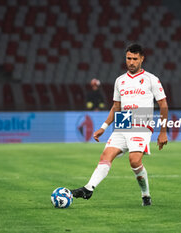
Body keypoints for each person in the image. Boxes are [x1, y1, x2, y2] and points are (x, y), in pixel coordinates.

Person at [71, 44, 168, 206]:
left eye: (134, 59)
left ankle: (145, 194)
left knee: (134, 161)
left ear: (142, 59)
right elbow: (116, 106)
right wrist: (103, 127)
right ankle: (88, 189)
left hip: (141, 123)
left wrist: (163, 131)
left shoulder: (151, 79)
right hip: (123, 122)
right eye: (128, 58)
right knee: (105, 156)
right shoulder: (120, 81)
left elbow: (163, 105)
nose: (131, 62)